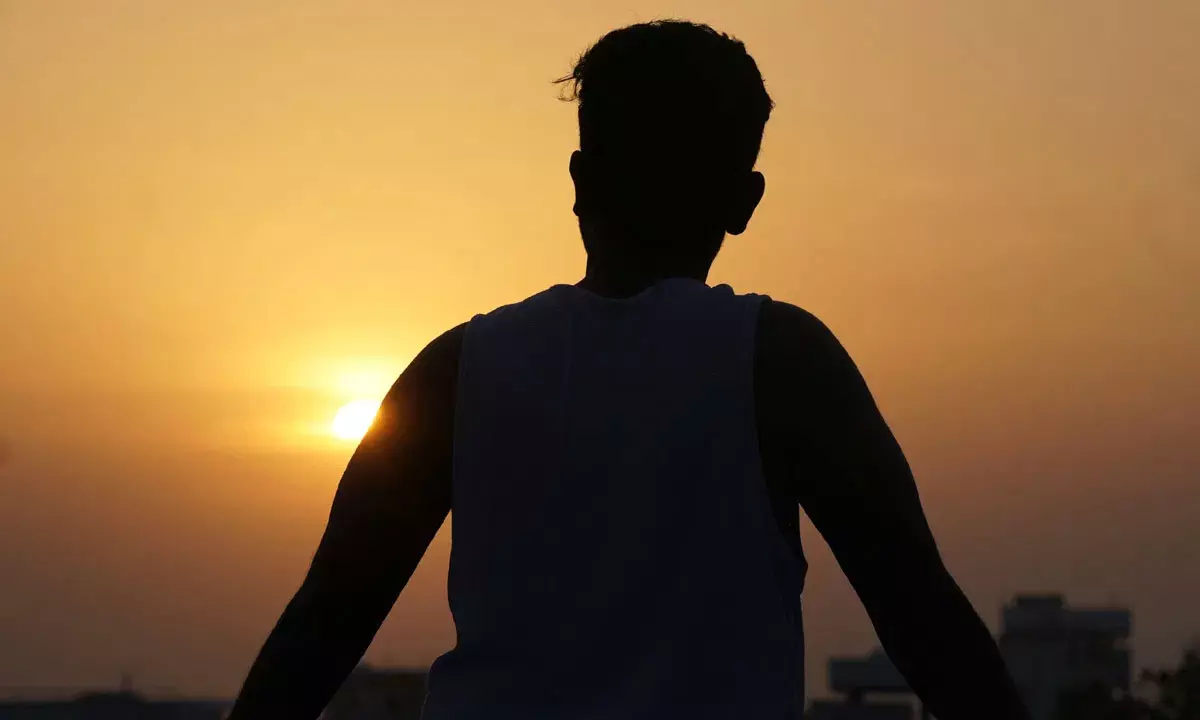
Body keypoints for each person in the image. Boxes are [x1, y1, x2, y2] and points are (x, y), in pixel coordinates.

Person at [228, 20, 1029, 720]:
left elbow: (321, 627)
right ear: (745, 202)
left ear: (580, 185)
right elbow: (924, 620)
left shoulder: (456, 371)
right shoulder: (782, 363)